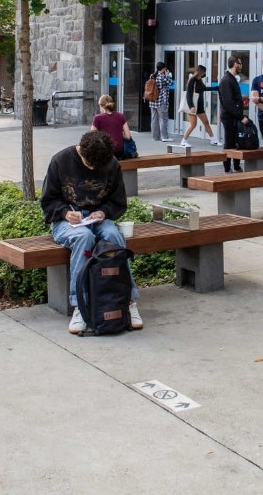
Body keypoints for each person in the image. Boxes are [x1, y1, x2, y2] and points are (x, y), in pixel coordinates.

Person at [40, 130, 142, 334]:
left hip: (98, 218)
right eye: (90, 165)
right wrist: (65, 212)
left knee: (114, 236)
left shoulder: (111, 163)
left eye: (98, 167)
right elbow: (47, 202)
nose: (94, 169)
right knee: (83, 237)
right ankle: (80, 305)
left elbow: (119, 202)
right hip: (67, 221)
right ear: (80, 151)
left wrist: (104, 212)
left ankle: (128, 300)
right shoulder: (61, 161)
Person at [218, 55, 247, 173]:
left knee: (236, 141)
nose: (241, 66)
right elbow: (228, 103)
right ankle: (227, 167)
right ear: (235, 64)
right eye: (240, 64)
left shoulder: (232, 78)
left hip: (234, 116)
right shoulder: (226, 80)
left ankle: (236, 166)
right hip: (229, 117)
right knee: (229, 142)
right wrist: (240, 116)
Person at [181, 65, 220, 148]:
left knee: (206, 122)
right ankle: (183, 141)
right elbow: (188, 95)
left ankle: (213, 140)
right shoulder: (192, 80)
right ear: (201, 72)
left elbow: (204, 88)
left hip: (200, 106)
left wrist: (216, 88)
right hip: (193, 106)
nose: (205, 74)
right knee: (193, 124)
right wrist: (191, 106)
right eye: (204, 72)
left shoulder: (199, 80)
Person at [91, 94, 133, 159]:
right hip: (119, 153)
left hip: (105, 153)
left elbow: (92, 137)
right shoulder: (120, 116)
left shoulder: (97, 118)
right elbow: (128, 136)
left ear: (101, 106)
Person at [148, 61, 173, 142]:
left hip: (152, 101)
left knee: (154, 119)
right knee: (163, 119)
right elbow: (170, 82)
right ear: (163, 68)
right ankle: (164, 137)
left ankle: (155, 137)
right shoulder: (162, 77)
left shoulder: (152, 76)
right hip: (161, 101)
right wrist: (168, 75)